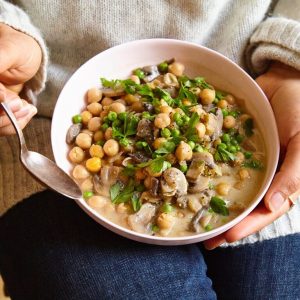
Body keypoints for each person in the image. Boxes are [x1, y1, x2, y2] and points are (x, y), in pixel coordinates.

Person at [0, 0, 299, 299]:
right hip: (45, 127)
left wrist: (289, 67)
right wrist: (9, 28)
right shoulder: (103, 136)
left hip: (262, 99)